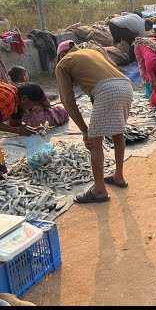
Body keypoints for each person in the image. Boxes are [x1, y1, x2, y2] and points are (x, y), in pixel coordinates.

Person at [55, 40, 134, 203]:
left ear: (61, 55)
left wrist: (85, 131)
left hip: (107, 90)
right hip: (125, 85)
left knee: (95, 142)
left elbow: (67, 101)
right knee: (117, 133)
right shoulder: (92, 52)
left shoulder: (63, 63)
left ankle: (99, 190)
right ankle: (118, 176)